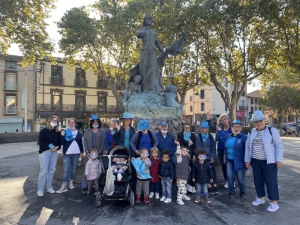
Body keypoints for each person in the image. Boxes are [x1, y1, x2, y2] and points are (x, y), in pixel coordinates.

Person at [245, 110, 283, 212]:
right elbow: (248, 147)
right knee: (257, 180)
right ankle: (260, 198)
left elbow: (278, 145)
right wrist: (247, 160)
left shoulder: (272, 130)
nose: (259, 123)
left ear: (264, 121)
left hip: (269, 161)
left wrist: (279, 159)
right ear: (254, 123)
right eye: (256, 122)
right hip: (256, 160)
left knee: (271, 181)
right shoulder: (251, 132)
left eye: (260, 121)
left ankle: (274, 202)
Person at [135, 13, 165, 92]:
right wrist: (138, 33)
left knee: (153, 69)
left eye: (150, 19)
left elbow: (157, 42)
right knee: (144, 69)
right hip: (144, 51)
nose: (149, 20)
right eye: (147, 18)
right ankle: (144, 88)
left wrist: (163, 52)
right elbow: (137, 34)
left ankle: (152, 87)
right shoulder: (142, 31)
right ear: (144, 20)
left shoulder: (153, 32)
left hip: (153, 52)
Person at [56, 118, 84, 193]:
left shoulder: (78, 132)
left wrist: (82, 152)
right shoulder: (65, 131)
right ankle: (64, 184)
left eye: (73, 123)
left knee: (73, 169)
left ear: (75, 124)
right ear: (68, 124)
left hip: (76, 153)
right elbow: (61, 142)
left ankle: (71, 181)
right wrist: (62, 135)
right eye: (70, 123)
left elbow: (80, 143)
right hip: (67, 154)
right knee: (65, 170)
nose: (71, 124)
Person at [37, 115, 61, 197]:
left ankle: (49, 187)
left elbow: (59, 143)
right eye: (53, 120)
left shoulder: (58, 132)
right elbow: (40, 142)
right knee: (44, 171)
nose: (54, 122)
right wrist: (51, 147)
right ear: (49, 121)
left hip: (54, 153)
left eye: (56, 121)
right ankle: (40, 189)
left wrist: (57, 147)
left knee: (51, 170)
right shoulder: (44, 131)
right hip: (45, 152)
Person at [81, 114, 105, 193]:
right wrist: (87, 152)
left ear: (98, 122)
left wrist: (99, 152)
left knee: (98, 168)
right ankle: (85, 186)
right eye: (93, 121)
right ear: (91, 122)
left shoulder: (102, 131)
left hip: (98, 153)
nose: (95, 123)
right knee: (87, 168)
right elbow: (84, 141)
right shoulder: (87, 131)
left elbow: (103, 142)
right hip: (89, 153)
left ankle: (97, 186)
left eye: (96, 121)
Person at [224, 120, 247, 199]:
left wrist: (247, 161)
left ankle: (242, 191)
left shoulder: (244, 137)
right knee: (230, 176)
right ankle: (232, 192)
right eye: (234, 126)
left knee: (240, 178)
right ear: (232, 128)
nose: (236, 128)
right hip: (229, 160)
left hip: (239, 161)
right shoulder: (229, 136)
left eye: (238, 127)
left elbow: (247, 150)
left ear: (241, 128)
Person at [196, 121, 218, 193]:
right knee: (205, 170)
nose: (204, 130)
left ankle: (214, 183)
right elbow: (198, 148)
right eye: (202, 128)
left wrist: (212, 156)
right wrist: (203, 157)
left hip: (209, 157)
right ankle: (208, 184)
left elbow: (213, 147)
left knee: (212, 169)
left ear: (208, 129)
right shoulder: (198, 137)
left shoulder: (211, 137)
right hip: (202, 157)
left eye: (205, 128)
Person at [177, 122, 197, 193]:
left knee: (193, 167)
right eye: (185, 128)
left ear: (190, 128)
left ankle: (192, 185)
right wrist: (186, 153)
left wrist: (194, 154)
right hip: (184, 153)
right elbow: (181, 145)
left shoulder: (193, 135)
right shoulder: (180, 135)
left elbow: (194, 146)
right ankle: (185, 186)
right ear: (183, 128)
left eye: (188, 128)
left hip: (191, 153)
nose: (187, 129)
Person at [216, 113, 231, 188]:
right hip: (221, 150)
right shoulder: (219, 129)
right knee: (223, 166)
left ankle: (231, 180)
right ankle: (227, 180)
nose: (223, 121)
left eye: (225, 119)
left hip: (229, 150)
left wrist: (220, 133)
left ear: (228, 120)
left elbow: (227, 139)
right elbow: (220, 140)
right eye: (222, 120)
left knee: (230, 165)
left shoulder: (232, 128)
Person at [175, 141, 191, 205]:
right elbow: (178, 153)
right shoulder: (179, 158)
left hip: (185, 176)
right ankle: (179, 199)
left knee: (184, 187)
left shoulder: (186, 158)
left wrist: (189, 167)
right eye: (183, 150)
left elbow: (185, 165)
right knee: (181, 187)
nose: (185, 152)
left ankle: (183, 195)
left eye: (186, 151)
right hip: (180, 176)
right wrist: (178, 146)